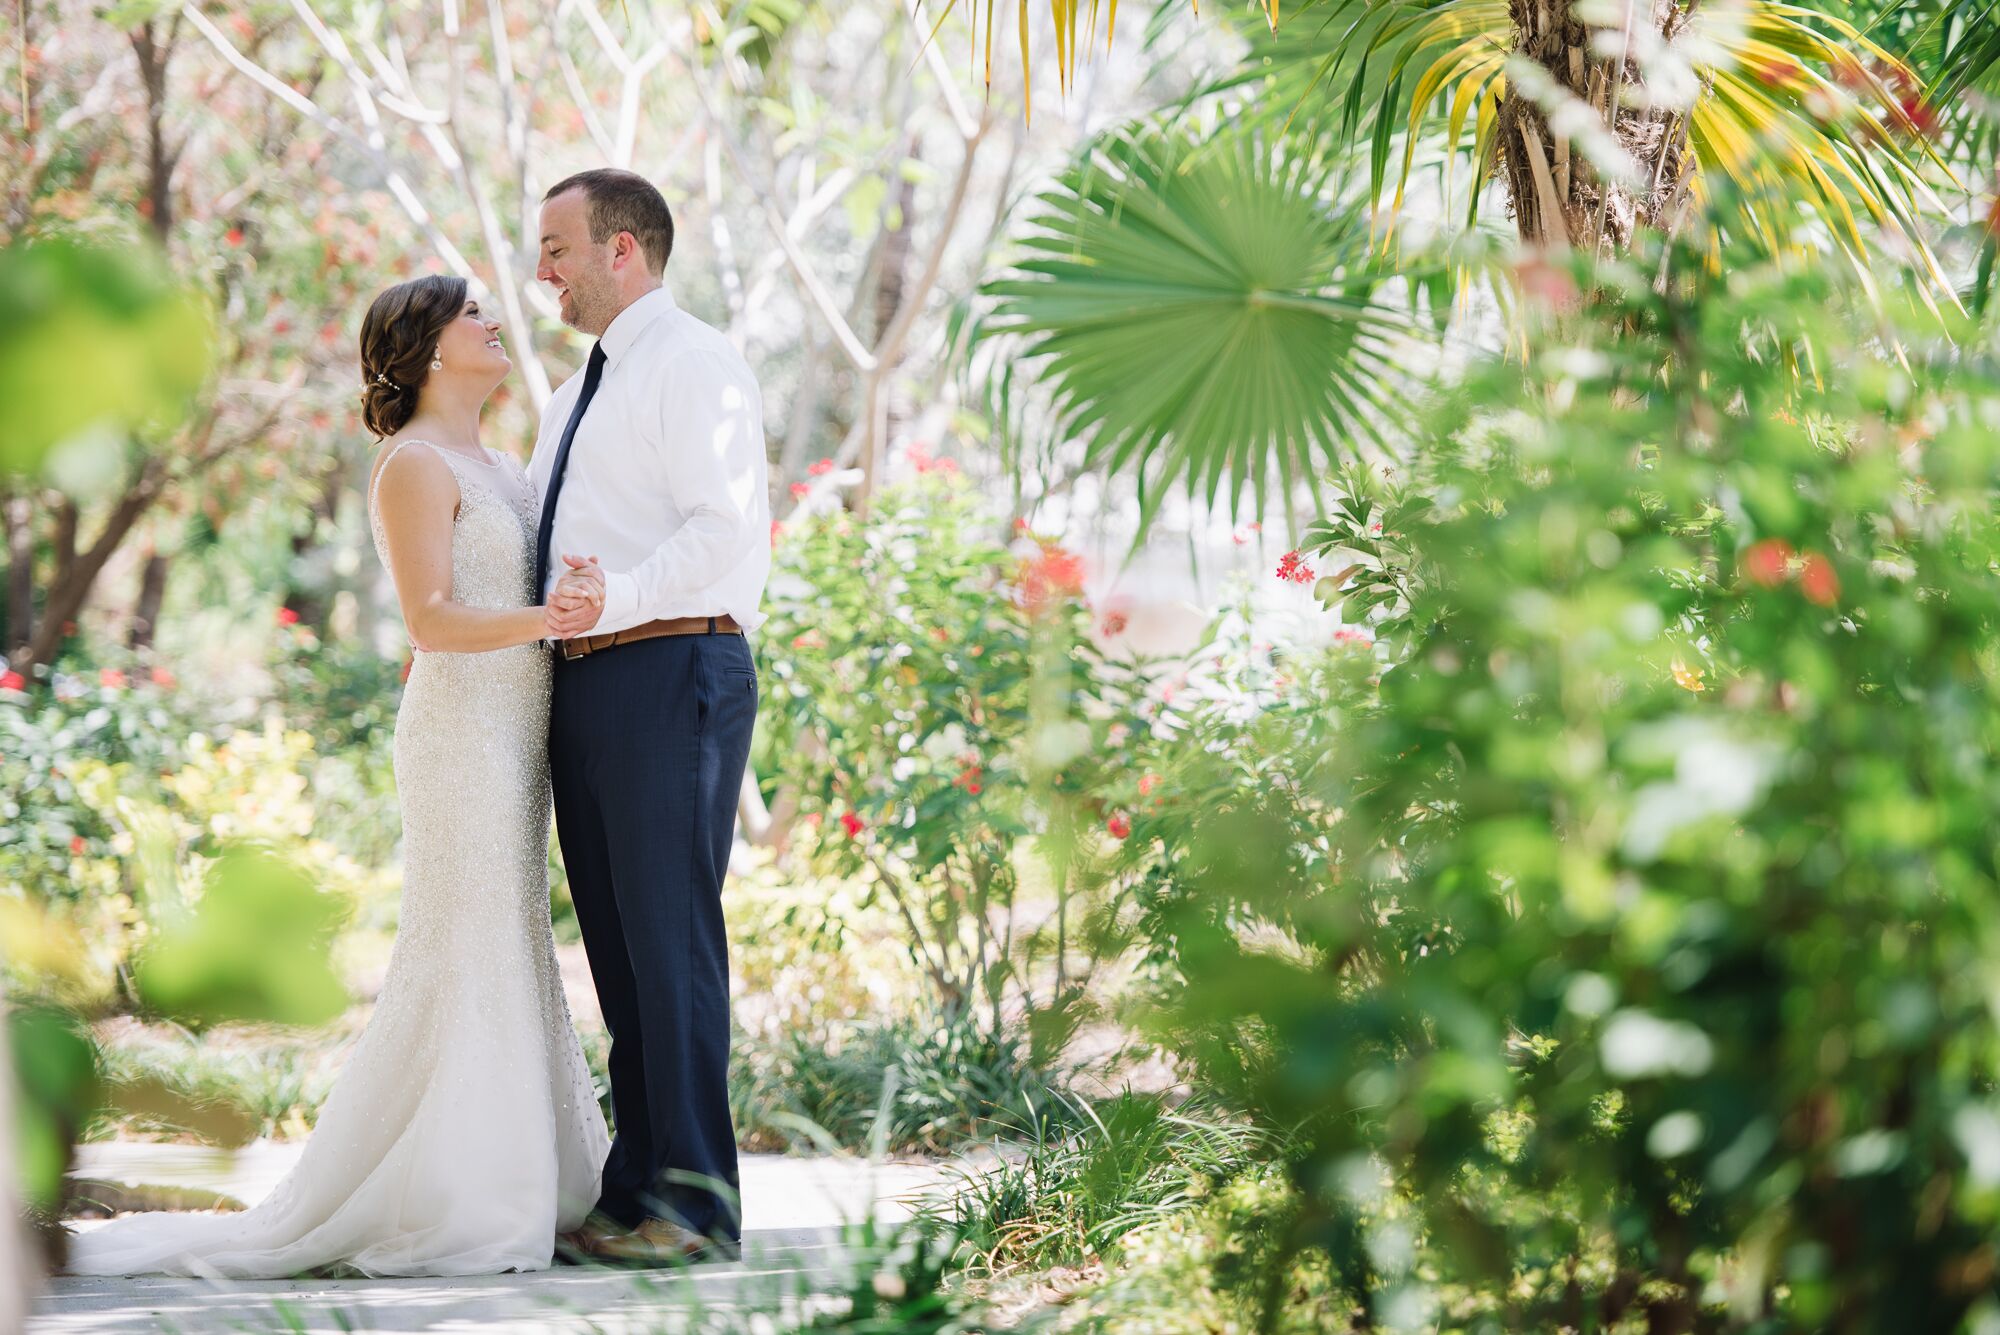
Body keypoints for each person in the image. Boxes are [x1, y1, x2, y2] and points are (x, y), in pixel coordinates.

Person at [65, 276, 612, 1277]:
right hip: (460, 738)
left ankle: (525, 1177)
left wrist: (569, 592)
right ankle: (472, 1196)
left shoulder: (503, 464)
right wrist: (545, 621)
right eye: (475, 315)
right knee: (470, 942)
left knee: (514, 937)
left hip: (521, 731)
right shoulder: (410, 464)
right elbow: (432, 622)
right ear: (433, 349)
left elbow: (523, 586)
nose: (496, 324)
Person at [529, 168, 769, 1264]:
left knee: (669, 946)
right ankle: (638, 1191)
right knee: (622, 956)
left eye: (558, 247)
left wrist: (614, 601)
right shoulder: (583, 385)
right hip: (590, 681)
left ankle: (695, 1210)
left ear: (622, 251)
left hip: (672, 669)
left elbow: (720, 531)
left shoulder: (693, 363)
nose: (544, 271)